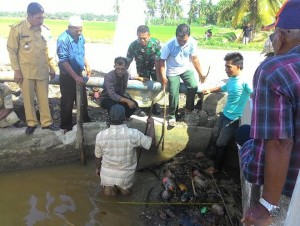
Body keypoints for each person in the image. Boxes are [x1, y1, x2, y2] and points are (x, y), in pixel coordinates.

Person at [238, 1, 300, 225]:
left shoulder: (275, 69)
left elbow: (280, 143)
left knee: (244, 136)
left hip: (289, 186)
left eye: (273, 34)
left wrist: (267, 205)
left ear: (281, 35)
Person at [7, 2, 59, 135]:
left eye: (43, 17)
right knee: (28, 99)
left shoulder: (45, 30)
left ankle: (47, 123)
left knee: (43, 98)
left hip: (42, 70)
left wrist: (52, 67)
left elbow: (49, 50)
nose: (41, 20)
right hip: (26, 72)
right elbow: (12, 51)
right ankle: (31, 123)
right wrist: (17, 70)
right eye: (38, 18)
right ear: (29, 16)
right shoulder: (17, 29)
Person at [202, 52, 252, 174]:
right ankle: (208, 156)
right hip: (224, 114)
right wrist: (209, 89)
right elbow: (222, 88)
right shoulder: (231, 80)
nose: (226, 69)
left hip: (233, 118)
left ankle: (216, 167)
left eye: (229, 67)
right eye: (225, 66)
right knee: (214, 134)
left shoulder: (245, 82)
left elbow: (255, 94)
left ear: (238, 67)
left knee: (221, 142)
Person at [95, 104, 152, 196]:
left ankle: (109, 189)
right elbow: (149, 143)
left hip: (107, 176)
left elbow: (98, 157)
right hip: (126, 177)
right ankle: (123, 189)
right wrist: (151, 125)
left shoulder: (100, 135)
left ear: (109, 117)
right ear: (125, 118)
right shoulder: (133, 134)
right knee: (125, 193)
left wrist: (98, 169)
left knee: (108, 196)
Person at [159, 24, 206, 127]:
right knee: (173, 91)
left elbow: (194, 59)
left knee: (193, 86)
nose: (181, 42)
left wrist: (201, 74)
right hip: (172, 70)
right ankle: (172, 115)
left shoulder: (192, 43)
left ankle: (188, 109)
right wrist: (163, 77)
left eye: (184, 41)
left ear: (188, 37)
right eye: (179, 40)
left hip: (185, 68)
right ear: (176, 36)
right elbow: (161, 61)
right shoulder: (169, 45)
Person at [57, 16, 91, 134]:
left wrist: (87, 65)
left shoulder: (81, 37)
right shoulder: (63, 39)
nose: (79, 32)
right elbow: (64, 61)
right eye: (76, 30)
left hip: (78, 73)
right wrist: (75, 76)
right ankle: (66, 126)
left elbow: (81, 53)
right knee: (67, 101)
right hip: (67, 75)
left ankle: (84, 121)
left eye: (80, 29)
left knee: (82, 100)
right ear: (69, 28)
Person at [126, 25, 162, 115]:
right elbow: (127, 61)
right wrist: (122, 75)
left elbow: (158, 62)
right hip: (141, 69)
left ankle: (154, 104)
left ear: (149, 35)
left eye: (144, 38)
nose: (142, 41)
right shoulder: (133, 45)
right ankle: (142, 106)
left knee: (156, 86)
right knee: (143, 88)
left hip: (154, 68)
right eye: (140, 38)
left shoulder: (155, 44)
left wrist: (159, 77)